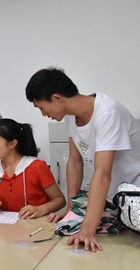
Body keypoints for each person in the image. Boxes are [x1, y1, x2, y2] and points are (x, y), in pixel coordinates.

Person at [26, 67, 140, 252]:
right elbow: (74, 162)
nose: (43, 114)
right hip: (111, 197)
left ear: (56, 98)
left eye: (41, 107)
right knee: (68, 229)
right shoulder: (71, 117)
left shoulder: (107, 113)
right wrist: (72, 208)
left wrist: (87, 231)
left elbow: (102, 173)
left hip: (133, 195)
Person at [0, 118, 66, 218]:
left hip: (35, 224)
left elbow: (60, 200)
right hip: (5, 224)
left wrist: (41, 209)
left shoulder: (37, 166)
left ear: (12, 144)